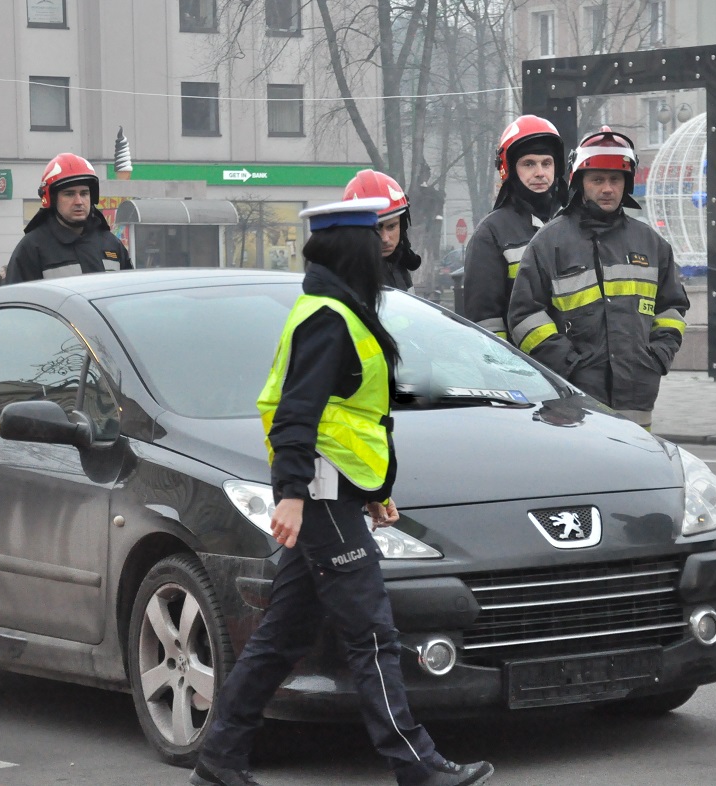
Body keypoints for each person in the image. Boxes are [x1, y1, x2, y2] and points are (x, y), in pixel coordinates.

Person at [189, 198, 493, 786]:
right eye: (373, 237)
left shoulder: (340, 310)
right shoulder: (329, 317)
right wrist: (292, 494)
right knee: (372, 634)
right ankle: (416, 765)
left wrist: (371, 489)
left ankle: (219, 760)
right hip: (320, 500)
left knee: (282, 637)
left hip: (334, 495)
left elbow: (348, 415)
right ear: (350, 248)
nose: (384, 247)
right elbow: (296, 415)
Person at [508, 126, 689, 431]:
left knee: (636, 472)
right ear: (580, 183)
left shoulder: (650, 243)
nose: (607, 189)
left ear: (626, 183)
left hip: (637, 392)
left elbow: (672, 309)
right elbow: (524, 316)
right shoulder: (549, 242)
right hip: (573, 398)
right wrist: (569, 366)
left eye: (615, 180)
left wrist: (657, 357)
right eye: (598, 180)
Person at [462, 115, 567, 339]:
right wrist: (507, 372)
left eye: (546, 163)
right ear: (508, 169)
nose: (540, 172)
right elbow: (485, 323)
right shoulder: (491, 234)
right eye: (528, 164)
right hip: (523, 369)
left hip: (577, 368)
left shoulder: (572, 224)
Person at [5, 153, 132, 283]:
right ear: (52, 200)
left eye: (84, 193)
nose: (79, 201)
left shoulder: (111, 244)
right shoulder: (31, 249)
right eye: (69, 194)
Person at [343, 169, 422, 291]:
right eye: (376, 229)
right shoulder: (349, 275)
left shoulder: (398, 263)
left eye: (391, 226)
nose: (385, 238)